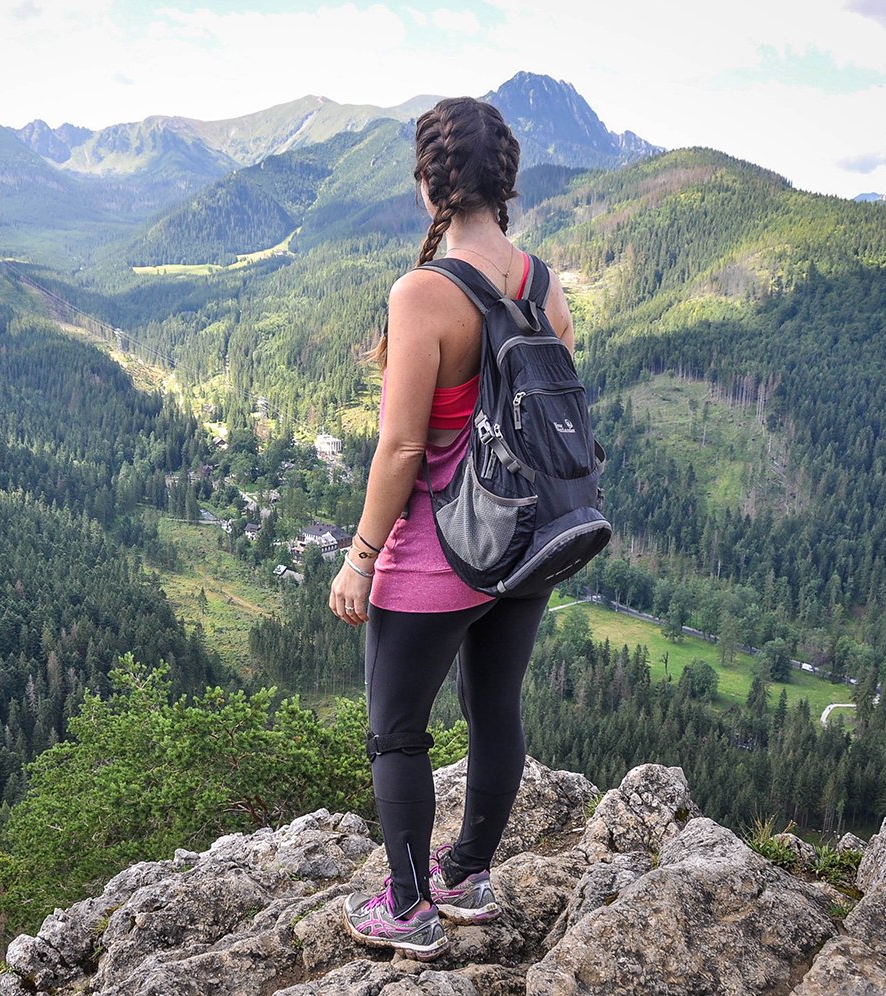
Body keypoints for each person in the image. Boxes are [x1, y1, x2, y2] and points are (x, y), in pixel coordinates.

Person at [328, 96, 576, 961]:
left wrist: (361, 557)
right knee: (493, 709)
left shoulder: (424, 293)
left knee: (397, 729)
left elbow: (402, 448)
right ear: (502, 183)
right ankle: (466, 873)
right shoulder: (545, 286)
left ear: (431, 183)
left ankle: (407, 907)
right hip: (529, 543)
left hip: (441, 551)